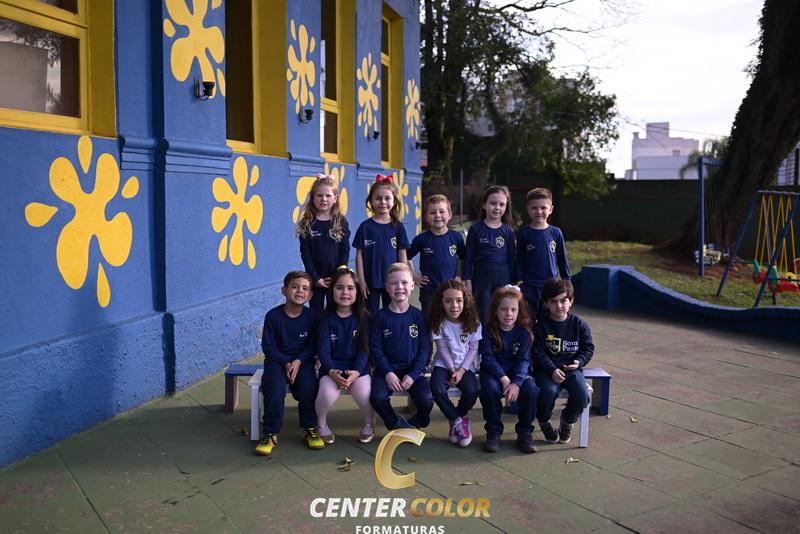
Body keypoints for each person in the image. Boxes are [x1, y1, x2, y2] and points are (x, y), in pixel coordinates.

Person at [255, 271, 323, 455]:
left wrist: (298, 361)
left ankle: (309, 428)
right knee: (274, 389)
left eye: (305, 288)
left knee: (308, 387)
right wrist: (286, 362)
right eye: (295, 286)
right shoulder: (272, 316)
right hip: (277, 362)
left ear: (310, 295)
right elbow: (268, 347)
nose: (300, 291)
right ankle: (270, 433)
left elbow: (312, 346)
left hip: (303, 361)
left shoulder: (313, 318)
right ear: (284, 290)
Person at [314, 267, 376, 444]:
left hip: (358, 369)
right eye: (339, 287)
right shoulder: (325, 319)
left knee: (365, 395)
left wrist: (356, 372)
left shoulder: (364, 318)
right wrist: (331, 371)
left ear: (357, 291)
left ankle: (369, 423)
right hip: (332, 370)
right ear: (331, 290)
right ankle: (321, 423)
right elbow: (324, 351)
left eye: (350, 288)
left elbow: (364, 350)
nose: (345, 292)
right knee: (326, 395)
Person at [369, 263, 433, 430]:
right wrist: (388, 373)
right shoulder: (379, 317)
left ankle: (418, 422)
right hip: (387, 371)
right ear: (386, 287)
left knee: (426, 399)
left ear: (412, 285)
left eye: (404, 282)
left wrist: (413, 374)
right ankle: (396, 425)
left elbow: (424, 349)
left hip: (413, 371)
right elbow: (376, 349)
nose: (399, 287)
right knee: (377, 397)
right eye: (394, 283)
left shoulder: (418, 317)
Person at [478, 285, 540, 453]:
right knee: (489, 390)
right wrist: (504, 379)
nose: (509, 314)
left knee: (531, 389)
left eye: (513, 309)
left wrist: (517, 383)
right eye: (504, 309)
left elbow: (524, 360)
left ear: (519, 311)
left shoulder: (524, 332)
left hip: (517, 374)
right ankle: (493, 432)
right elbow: (487, 358)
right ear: (495, 311)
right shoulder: (488, 330)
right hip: (494, 373)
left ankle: (525, 433)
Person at [533, 279, 593, 444]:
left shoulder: (579, 325)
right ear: (546, 303)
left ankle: (567, 421)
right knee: (547, 392)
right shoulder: (540, 326)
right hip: (547, 371)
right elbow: (537, 352)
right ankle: (544, 421)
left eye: (563, 301)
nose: (559, 305)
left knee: (582, 395)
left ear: (571, 301)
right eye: (553, 301)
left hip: (572, 370)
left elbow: (588, 348)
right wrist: (551, 369)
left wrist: (579, 362)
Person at [428, 279, 482, 447]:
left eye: (459, 300)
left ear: (465, 301)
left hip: (465, 366)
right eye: (448, 301)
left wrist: (461, 371)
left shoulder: (473, 321)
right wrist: (452, 371)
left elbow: (473, 349)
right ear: (441, 302)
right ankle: (458, 421)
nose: (454, 305)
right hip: (444, 365)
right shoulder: (438, 322)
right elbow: (442, 349)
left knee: (472, 391)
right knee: (436, 388)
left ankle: (456, 419)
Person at [353, 175, 409, 315]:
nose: (383, 202)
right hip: (370, 282)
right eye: (378, 198)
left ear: (394, 201)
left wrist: (404, 279)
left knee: (392, 314)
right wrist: (361, 280)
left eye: (387, 198)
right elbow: (359, 256)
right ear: (371, 201)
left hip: (393, 282)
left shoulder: (398, 227)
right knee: (369, 316)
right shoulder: (365, 227)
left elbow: (402, 255)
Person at [297, 174, 351, 312]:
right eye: (319, 195)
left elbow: (345, 249)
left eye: (328, 195)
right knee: (316, 312)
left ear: (335, 198)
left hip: (336, 277)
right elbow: (305, 253)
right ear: (313, 198)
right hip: (315, 278)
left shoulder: (340, 221)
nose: (324, 199)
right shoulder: (307, 222)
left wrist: (338, 274)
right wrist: (315, 277)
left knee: (335, 311)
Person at [464, 185, 517, 322]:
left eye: (501, 204)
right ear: (484, 204)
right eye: (493, 203)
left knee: (502, 314)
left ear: (506, 207)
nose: (497, 208)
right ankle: (484, 337)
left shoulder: (508, 231)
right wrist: (467, 281)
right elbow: (468, 258)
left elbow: (512, 260)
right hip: (482, 278)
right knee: (485, 314)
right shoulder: (475, 229)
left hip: (503, 277)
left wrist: (513, 283)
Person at [516, 188, 570, 320]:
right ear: (528, 209)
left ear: (551, 209)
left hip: (550, 286)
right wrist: (519, 281)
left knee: (547, 321)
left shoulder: (556, 233)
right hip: (529, 287)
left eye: (543, 208)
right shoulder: (524, 233)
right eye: (534, 208)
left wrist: (567, 282)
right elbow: (519, 259)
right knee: (528, 320)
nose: (539, 211)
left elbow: (562, 259)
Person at [407, 194, 466, 317]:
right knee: (429, 322)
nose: (437, 215)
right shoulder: (421, 239)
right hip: (429, 292)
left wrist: (459, 276)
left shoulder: (456, 237)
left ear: (449, 214)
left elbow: (463, 258)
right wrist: (414, 276)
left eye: (442, 211)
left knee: (449, 321)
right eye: (432, 212)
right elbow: (406, 256)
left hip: (451, 290)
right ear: (426, 217)